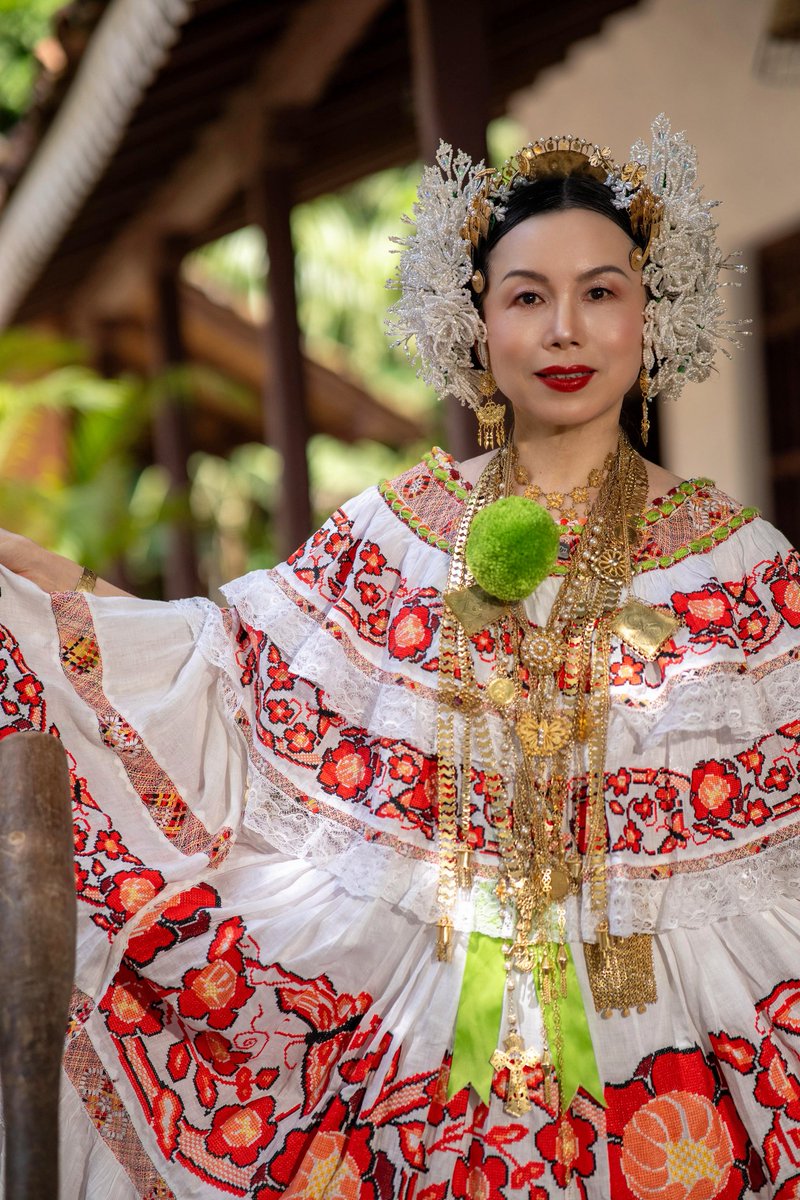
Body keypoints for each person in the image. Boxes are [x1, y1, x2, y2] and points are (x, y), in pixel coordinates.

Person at [0, 114, 796, 1199]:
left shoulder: (744, 572)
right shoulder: (396, 530)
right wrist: (55, 593)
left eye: (600, 291)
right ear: (475, 322)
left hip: (668, 1063)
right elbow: (225, 669)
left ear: (649, 313)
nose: (564, 329)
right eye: (525, 296)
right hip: (430, 1035)